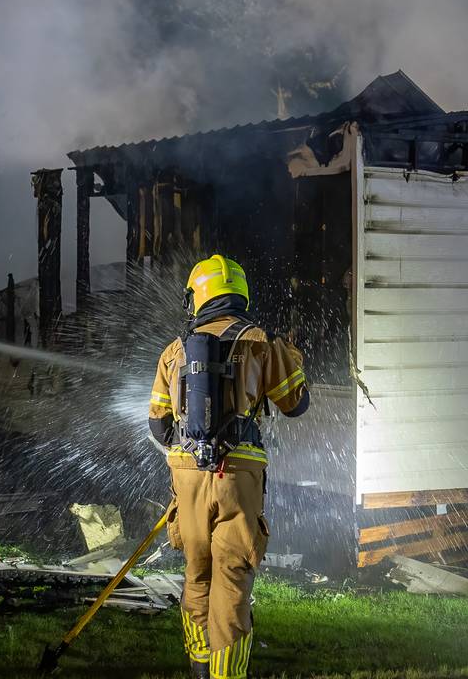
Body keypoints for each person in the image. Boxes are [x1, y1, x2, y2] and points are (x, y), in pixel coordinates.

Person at [148, 255, 310, 679]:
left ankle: (200, 669)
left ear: (197, 298)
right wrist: (291, 351)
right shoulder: (262, 341)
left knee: (197, 571)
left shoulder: (173, 351)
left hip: (187, 477)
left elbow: (158, 424)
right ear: (239, 294)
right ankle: (227, 675)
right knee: (232, 579)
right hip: (238, 476)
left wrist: (192, 458)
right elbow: (296, 404)